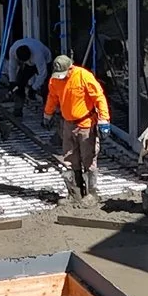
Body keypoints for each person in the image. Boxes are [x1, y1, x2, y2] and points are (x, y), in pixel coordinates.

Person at [43, 54, 110, 204]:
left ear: (71, 68)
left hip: (85, 123)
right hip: (68, 124)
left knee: (88, 158)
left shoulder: (83, 76)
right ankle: (75, 194)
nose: (60, 78)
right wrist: (47, 114)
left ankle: (91, 194)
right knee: (69, 158)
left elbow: (99, 98)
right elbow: (52, 97)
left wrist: (104, 120)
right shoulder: (55, 80)